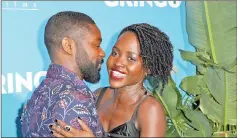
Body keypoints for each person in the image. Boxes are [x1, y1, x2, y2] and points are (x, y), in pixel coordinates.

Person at [50, 23, 174, 137]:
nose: (118, 62)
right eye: (115, 53)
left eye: (131, 58)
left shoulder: (150, 109)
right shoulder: (97, 96)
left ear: (149, 68)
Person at [20, 11, 105, 137]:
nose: (102, 53)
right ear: (68, 45)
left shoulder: (38, 94)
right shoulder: (75, 99)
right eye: (96, 45)